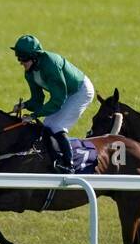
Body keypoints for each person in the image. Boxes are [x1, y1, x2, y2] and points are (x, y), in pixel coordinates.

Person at [11, 34, 95, 172]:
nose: (21, 62)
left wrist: (33, 116)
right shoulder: (29, 73)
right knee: (47, 125)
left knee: (56, 125)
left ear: (35, 57)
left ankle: (69, 165)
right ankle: (55, 160)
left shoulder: (51, 65)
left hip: (81, 91)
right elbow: (38, 100)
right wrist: (24, 105)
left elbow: (57, 101)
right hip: (65, 93)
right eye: (18, 58)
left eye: (24, 59)